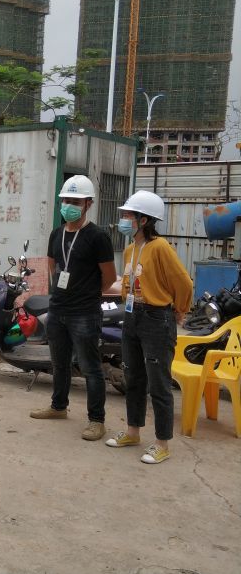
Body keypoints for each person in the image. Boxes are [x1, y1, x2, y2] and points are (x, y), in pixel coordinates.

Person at [106, 190, 192, 464]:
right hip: (133, 315)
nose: (123, 220)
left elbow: (184, 282)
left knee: (159, 383)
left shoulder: (161, 247)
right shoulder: (130, 250)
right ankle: (133, 432)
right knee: (133, 377)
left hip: (157, 318)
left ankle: (162, 443)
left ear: (144, 220)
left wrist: (180, 309)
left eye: (128, 215)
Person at [30, 175, 117, 441]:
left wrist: (86, 293)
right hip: (58, 309)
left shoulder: (98, 236)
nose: (69, 206)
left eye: (75, 202)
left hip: (85, 313)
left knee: (90, 368)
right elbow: (52, 265)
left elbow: (109, 277)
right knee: (59, 363)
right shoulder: (56, 234)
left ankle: (97, 420)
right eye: (66, 200)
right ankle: (58, 407)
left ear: (88, 204)